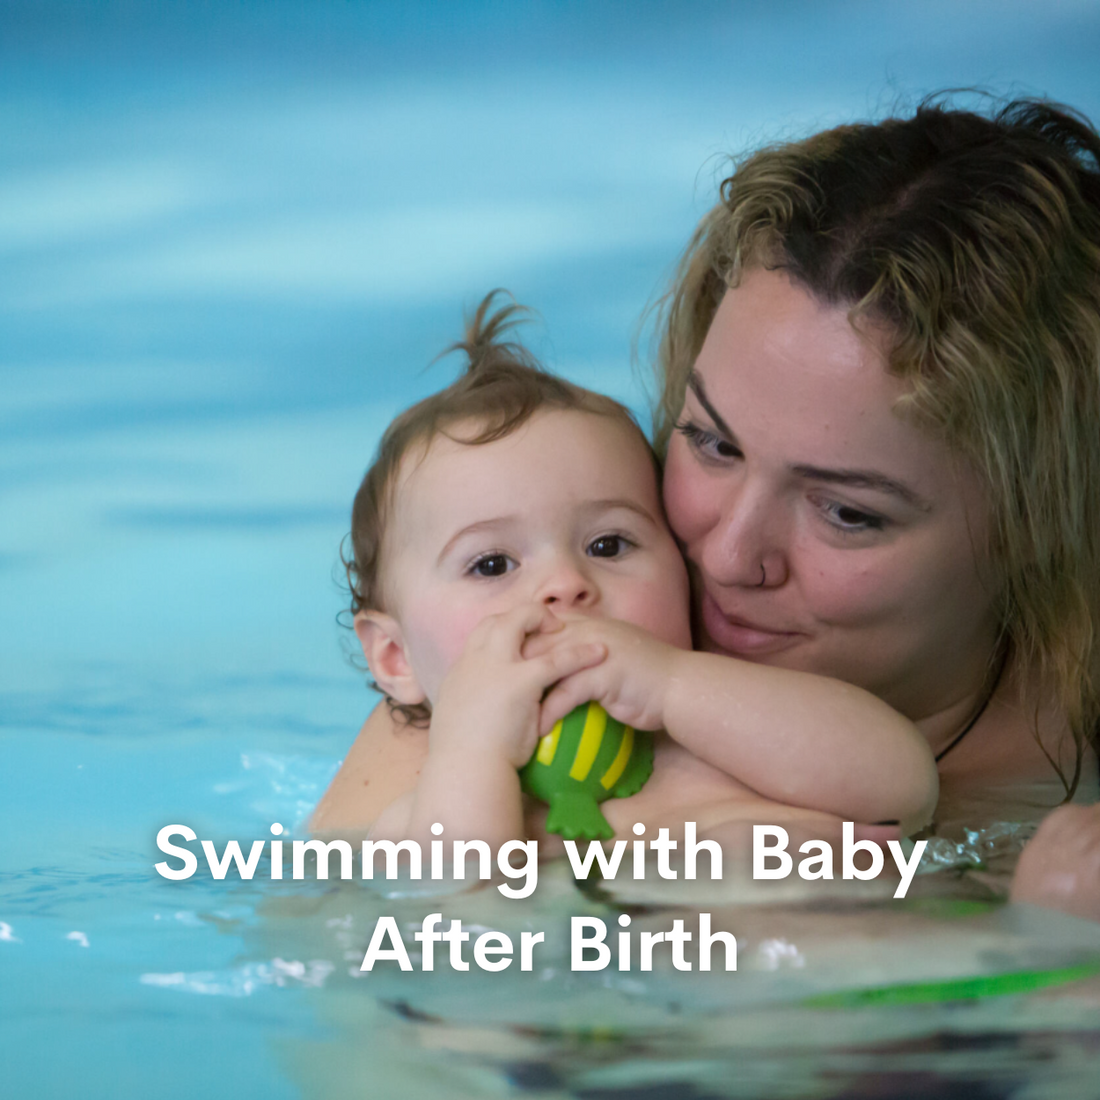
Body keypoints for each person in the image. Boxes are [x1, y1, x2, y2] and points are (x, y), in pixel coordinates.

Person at [649, 96, 1100, 915]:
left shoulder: (1065, 833)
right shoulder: (565, 596)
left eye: (848, 514)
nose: (726, 557)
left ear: (1043, 524)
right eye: (714, 444)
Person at [311, 295, 936, 851]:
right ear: (396, 658)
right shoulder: (417, 818)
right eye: (492, 563)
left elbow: (901, 786)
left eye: (609, 544)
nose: (565, 584)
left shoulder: (734, 730)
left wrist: (670, 685)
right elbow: (464, 925)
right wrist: (474, 754)